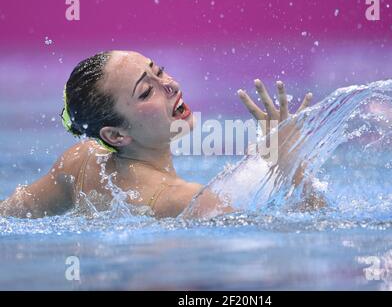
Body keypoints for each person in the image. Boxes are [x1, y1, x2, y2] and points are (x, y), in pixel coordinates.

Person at [0, 50, 324, 219]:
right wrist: (292, 164)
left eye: (159, 71)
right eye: (145, 93)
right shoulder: (188, 201)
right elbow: (311, 234)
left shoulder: (81, 163)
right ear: (115, 135)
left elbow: (8, 213)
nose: (170, 85)